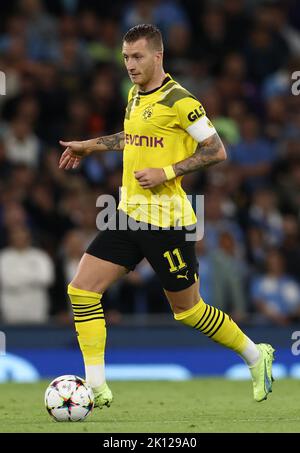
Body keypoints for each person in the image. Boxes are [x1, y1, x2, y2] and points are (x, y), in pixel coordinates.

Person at [58, 24, 274, 408]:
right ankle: (95, 387)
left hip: (168, 222)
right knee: (82, 290)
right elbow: (131, 137)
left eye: (137, 56)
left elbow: (216, 149)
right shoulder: (135, 94)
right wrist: (90, 147)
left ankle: (257, 357)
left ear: (158, 55)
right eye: (125, 57)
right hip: (127, 216)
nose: (130, 64)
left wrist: (167, 172)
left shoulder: (181, 100)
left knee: (189, 311)